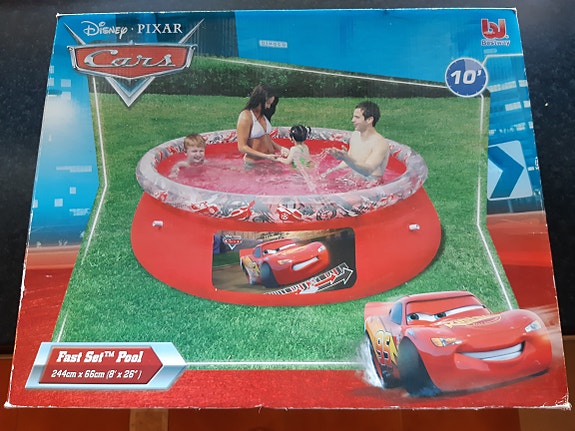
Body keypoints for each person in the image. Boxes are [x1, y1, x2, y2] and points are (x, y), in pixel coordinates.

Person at [322, 101, 389, 179]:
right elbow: (350, 161)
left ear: (369, 120)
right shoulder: (355, 135)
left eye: (357, 117)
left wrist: (347, 159)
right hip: (354, 179)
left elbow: (368, 171)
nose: (352, 120)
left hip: (372, 183)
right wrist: (329, 172)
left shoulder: (380, 143)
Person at [236, 84, 289, 164]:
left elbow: (265, 138)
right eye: (267, 103)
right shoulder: (246, 116)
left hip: (270, 160)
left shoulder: (263, 114)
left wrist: (280, 148)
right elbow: (242, 147)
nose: (268, 107)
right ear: (259, 99)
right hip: (255, 164)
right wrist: (265, 156)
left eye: (270, 104)